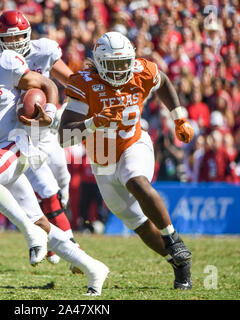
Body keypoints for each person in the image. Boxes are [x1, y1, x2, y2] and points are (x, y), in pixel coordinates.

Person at [0, 16, 108, 295]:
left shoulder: (4, 63)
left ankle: (28, 232)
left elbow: (46, 85)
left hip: (15, 143)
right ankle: (93, 268)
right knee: (40, 222)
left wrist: (48, 114)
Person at [59, 32, 194, 290]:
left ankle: (174, 239)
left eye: (124, 63)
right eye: (113, 64)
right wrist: (93, 122)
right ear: (99, 63)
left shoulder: (141, 70)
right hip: (102, 159)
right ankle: (179, 263)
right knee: (140, 226)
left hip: (134, 142)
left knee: (135, 180)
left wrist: (179, 117)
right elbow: (63, 138)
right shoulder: (84, 82)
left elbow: (162, 81)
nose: (120, 70)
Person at [0, 10, 75, 265]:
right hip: (19, 132)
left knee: (62, 179)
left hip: (47, 127)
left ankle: (56, 235)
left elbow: (70, 81)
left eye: (19, 37)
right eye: (9, 39)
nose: (15, 43)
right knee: (45, 188)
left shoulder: (44, 50)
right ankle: (65, 245)